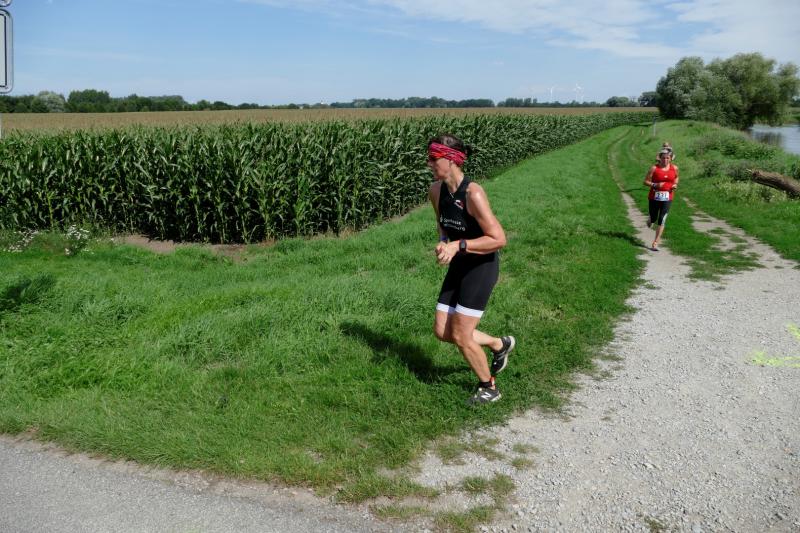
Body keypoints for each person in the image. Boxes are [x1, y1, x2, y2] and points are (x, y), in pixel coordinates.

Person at [427, 134, 515, 405]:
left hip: (481, 267)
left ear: (451, 159)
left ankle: (489, 387)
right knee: (442, 331)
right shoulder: (436, 191)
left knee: (461, 335)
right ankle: (498, 344)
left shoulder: (472, 193)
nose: (429, 163)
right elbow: (443, 225)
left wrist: (459, 245)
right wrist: (444, 242)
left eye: (434, 158)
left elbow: (498, 239)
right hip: (459, 263)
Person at [644, 148, 679, 251]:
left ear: (671, 158)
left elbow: (676, 178)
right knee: (654, 218)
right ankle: (651, 219)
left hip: (668, 197)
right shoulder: (654, 168)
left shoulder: (674, 168)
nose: (665, 160)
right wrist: (655, 185)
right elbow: (645, 181)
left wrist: (675, 184)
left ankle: (656, 242)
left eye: (668, 158)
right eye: (663, 158)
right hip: (654, 197)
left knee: (662, 219)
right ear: (660, 158)